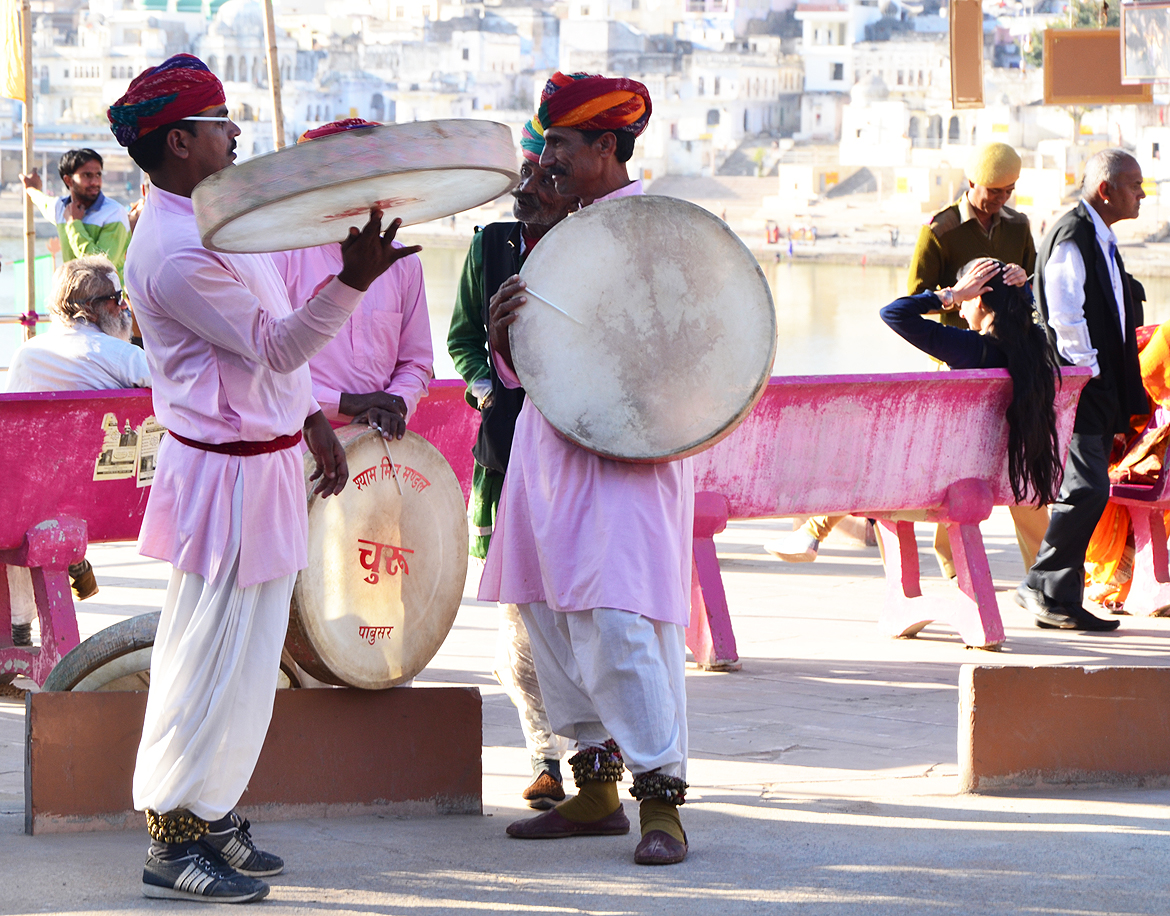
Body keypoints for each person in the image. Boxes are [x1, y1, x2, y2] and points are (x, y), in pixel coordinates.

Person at [109, 53, 416, 902]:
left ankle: (210, 812)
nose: (235, 133)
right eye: (219, 124)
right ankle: (170, 835)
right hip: (224, 481)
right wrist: (355, 279)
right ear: (181, 141)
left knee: (249, 659)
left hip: (266, 464)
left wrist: (310, 421)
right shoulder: (174, 249)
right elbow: (281, 346)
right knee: (205, 655)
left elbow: (265, 352)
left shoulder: (216, 220)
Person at [484, 72, 693, 867]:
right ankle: (596, 790)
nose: (548, 159)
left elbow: (681, 355)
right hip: (548, 452)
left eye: (561, 145)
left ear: (606, 146)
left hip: (624, 460)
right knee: (547, 615)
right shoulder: (558, 231)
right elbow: (528, 371)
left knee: (618, 623)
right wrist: (507, 337)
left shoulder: (652, 231)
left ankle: (662, 800)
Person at [770, 141, 1048, 573]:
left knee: (956, 456)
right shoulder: (940, 230)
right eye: (994, 191)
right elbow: (916, 290)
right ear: (972, 183)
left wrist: (1018, 280)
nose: (1000, 199)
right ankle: (987, 566)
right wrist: (959, 303)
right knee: (985, 454)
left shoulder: (1019, 226)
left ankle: (949, 559)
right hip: (978, 356)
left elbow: (901, 311)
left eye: (1008, 191)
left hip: (982, 356)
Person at [447, 114, 578, 810]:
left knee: (575, 613)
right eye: (522, 174)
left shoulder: (593, 246)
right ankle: (543, 757)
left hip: (579, 461)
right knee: (516, 619)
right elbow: (465, 338)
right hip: (505, 453)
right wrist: (486, 385)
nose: (525, 188)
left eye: (540, 175)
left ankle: (595, 762)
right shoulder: (492, 245)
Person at [1016, 148, 1148, 631]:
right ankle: (1041, 584)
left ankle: (1059, 595)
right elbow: (1065, 316)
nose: (1142, 194)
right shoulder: (1072, 233)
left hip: (1099, 382)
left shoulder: (1099, 234)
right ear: (1106, 189)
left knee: (1088, 488)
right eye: (1135, 185)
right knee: (1087, 488)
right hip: (1080, 383)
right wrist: (1087, 374)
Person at [4, 255, 151, 646]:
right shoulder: (122, 357)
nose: (124, 307)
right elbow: (179, 384)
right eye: (117, 298)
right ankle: (73, 560)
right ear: (88, 307)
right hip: (109, 510)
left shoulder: (26, 355)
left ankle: (19, 631)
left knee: (13, 512)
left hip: (31, 509)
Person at [271, 118, 433, 440]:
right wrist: (347, 404)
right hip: (299, 441)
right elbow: (269, 365)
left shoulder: (404, 265)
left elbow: (417, 362)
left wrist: (394, 404)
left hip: (379, 443)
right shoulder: (282, 259)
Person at [880, 258, 1063, 509]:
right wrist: (1022, 291)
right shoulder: (1036, 346)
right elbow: (1038, 320)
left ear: (977, 298)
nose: (960, 311)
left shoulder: (971, 350)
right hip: (1011, 476)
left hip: (950, 478)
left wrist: (951, 294)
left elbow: (892, 313)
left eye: (963, 303)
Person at [21, 149, 132, 280]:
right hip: (73, 296)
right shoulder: (61, 208)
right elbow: (44, 201)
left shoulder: (114, 213)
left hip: (107, 298)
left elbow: (100, 268)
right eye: (87, 175)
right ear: (68, 180)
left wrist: (74, 224)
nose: (95, 182)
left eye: (98, 175)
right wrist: (32, 189)